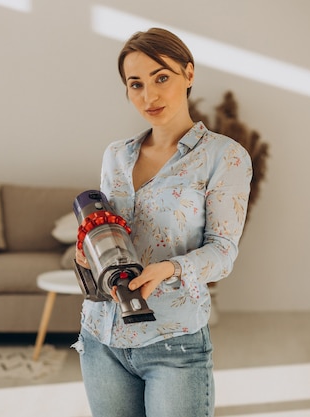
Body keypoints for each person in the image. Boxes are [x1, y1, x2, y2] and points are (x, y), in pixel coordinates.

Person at [72, 28, 252, 417]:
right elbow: (108, 229)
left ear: (189, 74)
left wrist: (170, 268)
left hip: (174, 342)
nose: (149, 96)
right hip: (101, 337)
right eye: (135, 84)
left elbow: (223, 253)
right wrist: (89, 249)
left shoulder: (225, 156)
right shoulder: (116, 155)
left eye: (161, 78)